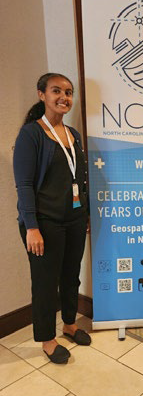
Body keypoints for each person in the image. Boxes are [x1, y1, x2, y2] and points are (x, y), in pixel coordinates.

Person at [13, 73, 91, 364]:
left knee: (71, 275)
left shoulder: (74, 135)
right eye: (56, 91)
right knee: (45, 282)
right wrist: (31, 226)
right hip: (44, 223)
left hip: (73, 219)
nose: (64, 97)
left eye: (68, 92)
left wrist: (84, 213)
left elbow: (79, 178)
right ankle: (47, 339)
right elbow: (23, 185)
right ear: (41, 95)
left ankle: (70, 325)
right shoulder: (31, 134)